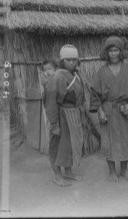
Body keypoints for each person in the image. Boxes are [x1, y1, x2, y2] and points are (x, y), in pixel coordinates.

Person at [90, 36, 128, 182]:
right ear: (106, 53)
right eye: (110, 51)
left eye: (116, 50)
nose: (113, 54)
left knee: (126, 140)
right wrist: (100, 111)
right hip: (107, 111)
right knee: (109, 141)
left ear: (121, 52)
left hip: (124, 110)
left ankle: (124, 171)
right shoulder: (101, 72)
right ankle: (112, 171)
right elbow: (94, 93)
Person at [44, 45, 85, 187]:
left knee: (69, 146)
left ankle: (68, 171)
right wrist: (54, 124)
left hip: (73, 116)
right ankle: (57, 175)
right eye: (68, 60)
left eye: (74, 60)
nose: (72, 63)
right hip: (61, 117)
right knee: (57, 146)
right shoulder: (58, 77)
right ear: (62, 61)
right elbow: (50, 102)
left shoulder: (75, 75)